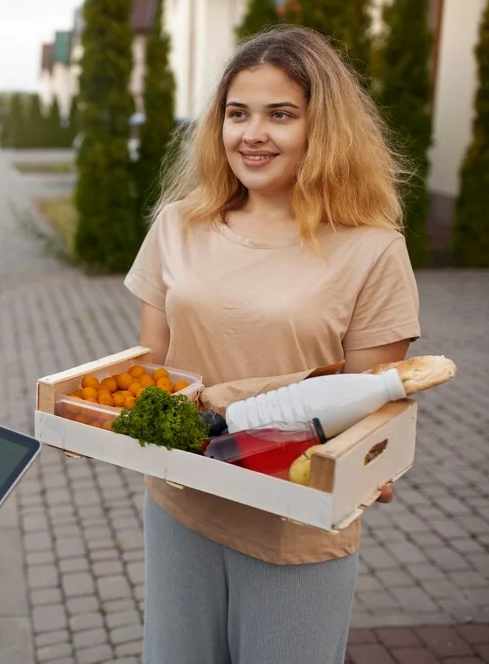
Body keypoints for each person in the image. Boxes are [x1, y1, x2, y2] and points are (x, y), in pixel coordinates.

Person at [124, 25, 420, 664]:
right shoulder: (177, 225)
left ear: (324, 128)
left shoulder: (372, 249)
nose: (251, 134)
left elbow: (371, 403)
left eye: (280, 115)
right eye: (237, 114)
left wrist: (373, 461)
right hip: (182, 499)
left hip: (295, 519)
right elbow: (152, 367)